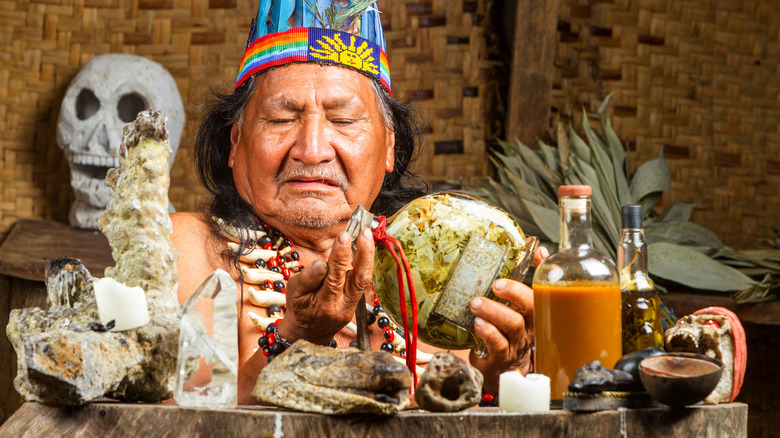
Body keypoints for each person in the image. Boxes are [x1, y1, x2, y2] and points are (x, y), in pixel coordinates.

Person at [170, 0, 547, 405]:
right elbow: (178, 412)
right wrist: (293, 338)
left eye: (344, 120)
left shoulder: (436, 278)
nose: (312, 150)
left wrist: (503, 377)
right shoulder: (185, 250)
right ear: (236, 142)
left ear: (389, 146)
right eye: (282, 119)